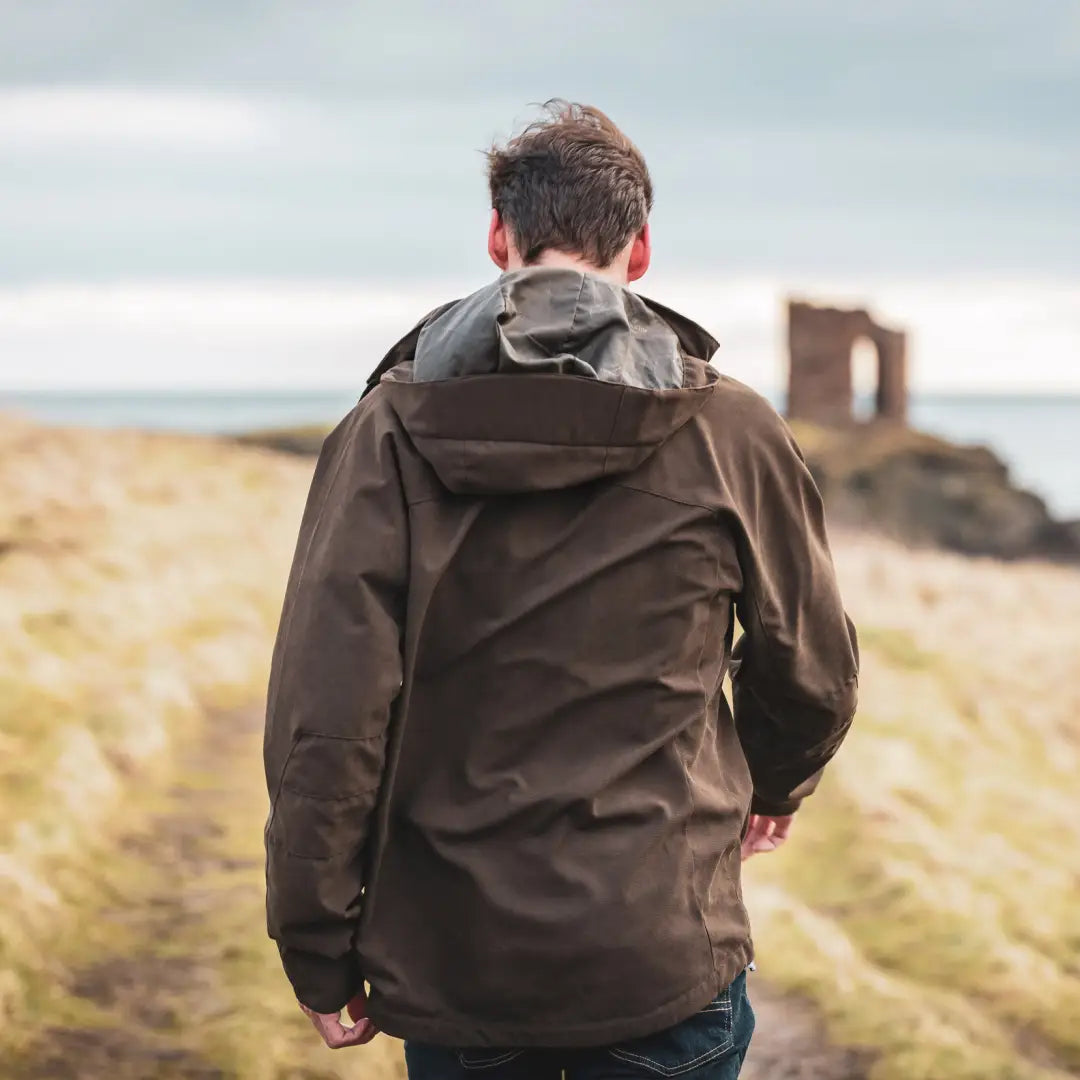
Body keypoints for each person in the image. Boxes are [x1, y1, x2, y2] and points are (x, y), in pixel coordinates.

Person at [263, 100, 858, 1080]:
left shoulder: (386, 432)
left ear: (500, 237)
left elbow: (326, 723)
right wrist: (774, 782)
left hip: (457, 967)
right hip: (660, 953)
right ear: (642, 248)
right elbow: (814, 667)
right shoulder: (735, 431)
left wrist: (317, 946)